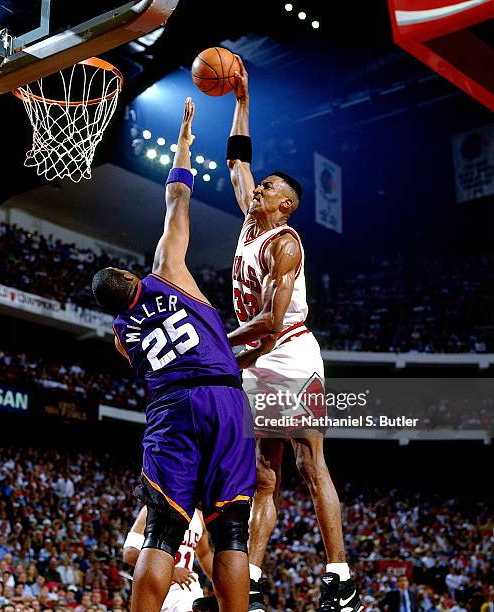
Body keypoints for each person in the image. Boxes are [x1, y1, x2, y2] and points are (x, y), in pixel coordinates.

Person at [92, 98, 256, 612]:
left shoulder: (122, 336)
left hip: (170, 408)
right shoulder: (167, 272)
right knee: (230, 530)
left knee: (161, 531)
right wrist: (184, 139)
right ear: (130, 277)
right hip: (223, 400)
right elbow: (177, 197)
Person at [225, 56, 361, 612]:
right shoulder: (248, 220)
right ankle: (253, 578)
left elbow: (272, 323)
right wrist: (241, 102)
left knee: (310, 464)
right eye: (261, 185)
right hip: (256, 360)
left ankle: (339, 578)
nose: (259, 188)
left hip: (291, 354)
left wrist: (216, 338)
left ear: (287, 205)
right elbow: (237, 161)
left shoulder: (286, 242)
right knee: (261, 476)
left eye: (270, 187)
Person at [123, 506, 213, 612]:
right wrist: (170, 571)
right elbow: (129, 553)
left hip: (186, 587)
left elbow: (204, 554)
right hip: (156, 583)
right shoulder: (152, 507)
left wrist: (228, 588)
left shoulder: (199, 517)